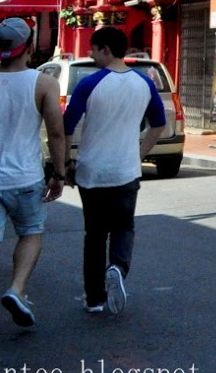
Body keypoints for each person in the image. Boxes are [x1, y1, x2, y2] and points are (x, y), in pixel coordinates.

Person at [0, 18, 67, 336]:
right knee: (31, 233)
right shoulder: (43, 84)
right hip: (26, 178)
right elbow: (56, 133)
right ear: (29, 48)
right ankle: (16, 289)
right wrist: (58, 173)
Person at [63, 26, 164, 316]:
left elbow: (67, 125)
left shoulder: (89, 84)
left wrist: (66, 163)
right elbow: (158, 123)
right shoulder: (144, 83)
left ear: (105, 49)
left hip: (92, 171)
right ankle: (117, 268)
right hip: (126, 171)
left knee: (94, 235)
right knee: (123, 227)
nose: (91, 55)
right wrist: (140, 153)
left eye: (93, 50)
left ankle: (94, 298)